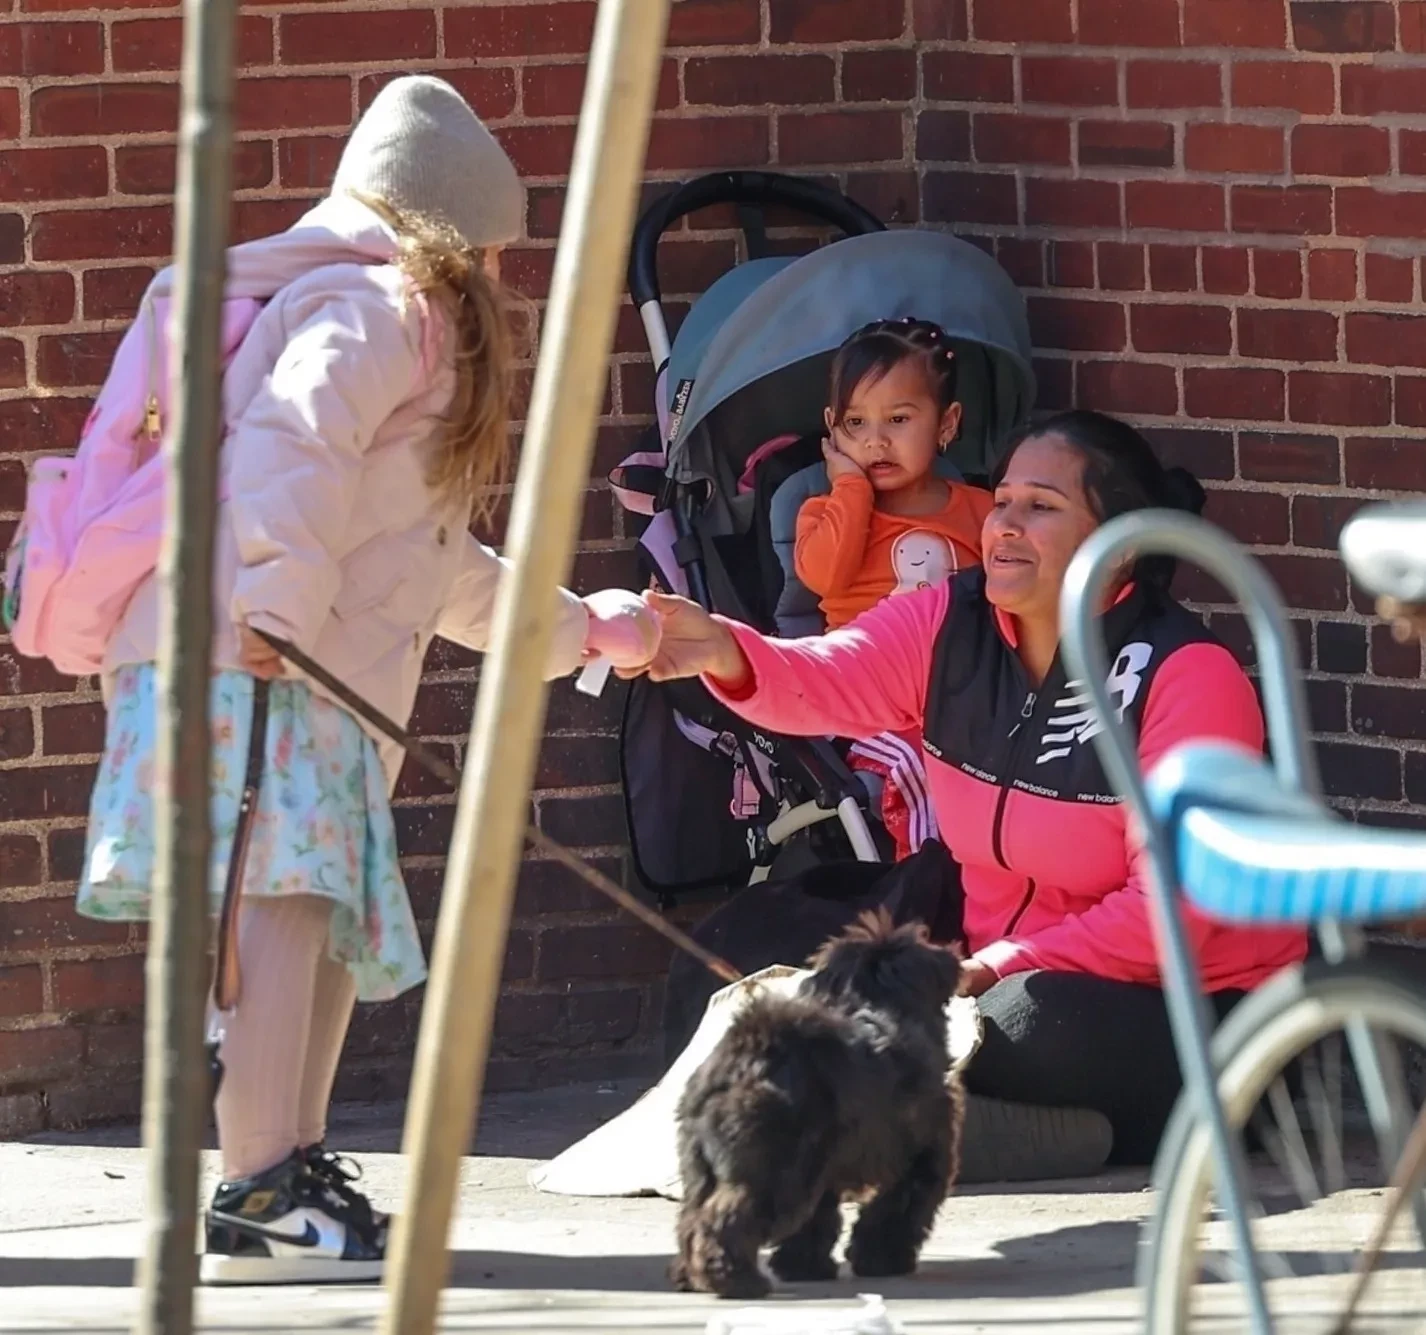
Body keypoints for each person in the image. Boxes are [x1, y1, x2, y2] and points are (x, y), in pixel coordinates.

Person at [74, 77, 655, 1284]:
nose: (502, 272)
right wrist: (274, 609)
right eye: (495, 248)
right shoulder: (378, 306)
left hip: (287, 669)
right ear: (456, 231)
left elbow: (429, 565)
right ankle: (260, 1188)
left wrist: (580, 631)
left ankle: (286, 1168)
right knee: (285, 906)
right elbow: (295, 441)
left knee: (321, 909)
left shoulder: (386, 317)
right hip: (258, 658)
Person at [623, 409, 1308, 1167]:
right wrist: (721, 649)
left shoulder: (1189, 676)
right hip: (994, 959)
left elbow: (1172, 916)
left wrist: (997, 965)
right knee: (735, 950)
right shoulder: (952, 617)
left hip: (1194, 1007)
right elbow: (829, 675)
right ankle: (954, 1122)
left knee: (1024, 1018)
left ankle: (923, 1127)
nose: (1005, 524)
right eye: (1002, 499)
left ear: (1120, 548)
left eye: (1041, 506)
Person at [794, 318, 992, 630]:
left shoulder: (983, 513)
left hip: (957, 659)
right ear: (832, 426)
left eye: (898, 419)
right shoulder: (822, 515)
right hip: (861, 658)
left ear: (946, 424)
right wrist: (851, 487)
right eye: (856, 422)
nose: (876, 440)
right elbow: (825, 579)